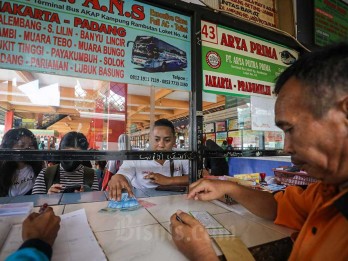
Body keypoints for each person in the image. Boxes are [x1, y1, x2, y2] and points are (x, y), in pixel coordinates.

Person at [170, 43, 348, 260]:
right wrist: (228, 187)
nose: (286, 147)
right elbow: (276, 207)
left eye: (290, 129)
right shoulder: (328, 191)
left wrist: (203, 255)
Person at [108, 119, 189, 200]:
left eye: (167, 140)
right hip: (144, 202)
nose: (161, 145)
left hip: (174, 201)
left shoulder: (181, 155)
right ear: (150, 139)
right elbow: (123, 174)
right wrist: (118, 177)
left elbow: (193, 178)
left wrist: (168, 180)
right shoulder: (137, 157)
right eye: (156, 139)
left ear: (174, 140)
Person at [32, 132, 99, 194]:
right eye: (66, 154)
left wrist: (87, 197)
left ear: (83, 156)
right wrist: (48, 198)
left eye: (75, 156)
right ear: (60, 152)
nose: (70, 159)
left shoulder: (91, 175)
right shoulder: (45, 174)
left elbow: (96, 203)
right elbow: (35, 203)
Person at [0, 128, 44, 197]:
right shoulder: (2, 169)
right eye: (21, 145)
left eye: (31, 145)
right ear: (9, 148)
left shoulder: (38, 167)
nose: (27, 149)